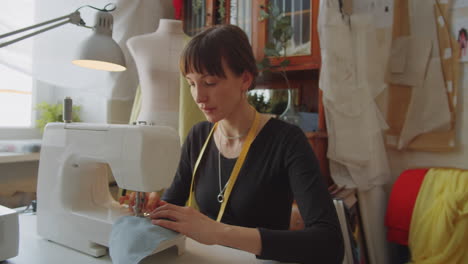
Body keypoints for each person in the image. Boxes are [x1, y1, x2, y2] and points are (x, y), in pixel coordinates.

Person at [121, 24, 344, 264]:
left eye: (210, 82)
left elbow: (329, 244)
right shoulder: (198, 136)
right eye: (191, 84)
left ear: (245, 79)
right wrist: (154, 206)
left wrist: (218, 232)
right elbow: (173, 206)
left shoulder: (287, 141)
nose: (198, 97)